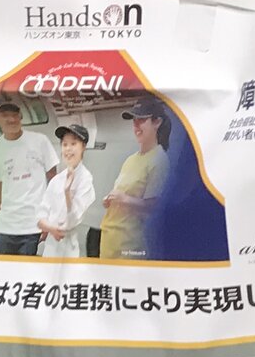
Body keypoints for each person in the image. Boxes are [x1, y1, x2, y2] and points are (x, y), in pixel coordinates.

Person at [0, 98, 61, 257]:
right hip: (6, 228)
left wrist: (51, 221)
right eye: (5, 114)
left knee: (28, 274)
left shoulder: (40, 141)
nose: (11, 119)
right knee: (6, 277)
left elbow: (54, 183)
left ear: (21, 116)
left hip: (33, 227)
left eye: (15, 114)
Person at [98, 104, 172, 262]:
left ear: (157, 122)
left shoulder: (159, 159)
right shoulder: (131, 159)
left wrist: (123, 199)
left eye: (142, 120)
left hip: (129, 247)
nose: (136, 125)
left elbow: (155, 207)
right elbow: (120, 192)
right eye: (134, 120)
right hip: (110, 241)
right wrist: (110, 199)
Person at [39, 124, 99, 260]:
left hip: (68, 249)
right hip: (50, 246)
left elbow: (72, 220)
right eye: (65, 144)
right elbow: (41, 213)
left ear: (83, 147)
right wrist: (50, 227)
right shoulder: (56, 180)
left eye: (73, 143)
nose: (68, 149)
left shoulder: (86, 179)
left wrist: (67, 192)